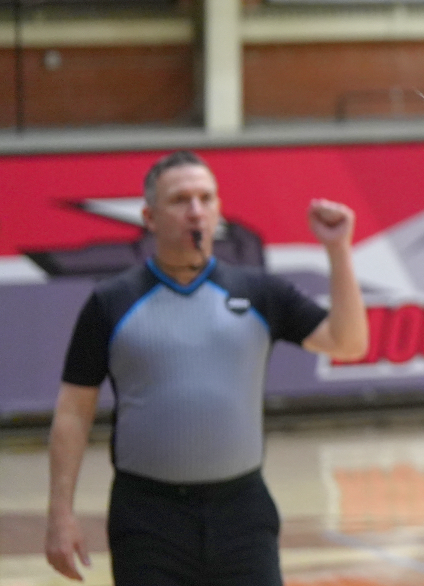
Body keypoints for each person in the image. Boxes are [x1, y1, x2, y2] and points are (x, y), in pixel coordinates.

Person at [43, 150, 369, 585]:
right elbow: (72, 412)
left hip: (243, 514)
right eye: (180, 200)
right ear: (150, 217)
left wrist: (338, 251)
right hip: (147, 518)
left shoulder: (259, 292)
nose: (195, 211)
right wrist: (60, 514)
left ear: (218, 209)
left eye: (205, 198)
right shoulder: (111, 302)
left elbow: (348, 342)